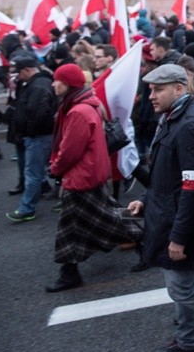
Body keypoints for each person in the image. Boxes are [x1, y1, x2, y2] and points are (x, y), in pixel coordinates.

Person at [127, 64, 194, 352]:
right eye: (150, 89)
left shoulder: (189, 125)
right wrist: (146, 198)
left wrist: (179, 237)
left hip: (180, 223)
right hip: (167, 215)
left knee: (181, 288)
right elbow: (166, 173)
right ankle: (189, 340)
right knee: (181, 285)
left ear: (179, 89)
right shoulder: (172, 116)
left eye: (158, 89)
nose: (151, 95)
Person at [45, 64, 143, 292]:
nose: (53, 84)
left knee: (89, 224)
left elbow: (70, 151)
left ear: (68, 83)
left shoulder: (78, 111)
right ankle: (69, 272)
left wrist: (55, 168)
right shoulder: (85, 104)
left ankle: (147, 240)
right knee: (98, 220)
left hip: (82, 177)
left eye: (57, 79)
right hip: (89, 173)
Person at [6, 54, 57, 222]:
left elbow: (38, 113)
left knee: (33, 173)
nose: (17, 76)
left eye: (18, 72)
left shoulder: (38, 85)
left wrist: (30, 132)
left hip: (39, 136)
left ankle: (27, 209)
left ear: (27, 70)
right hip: (37, 135)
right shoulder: (34, 83)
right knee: (41, 171)